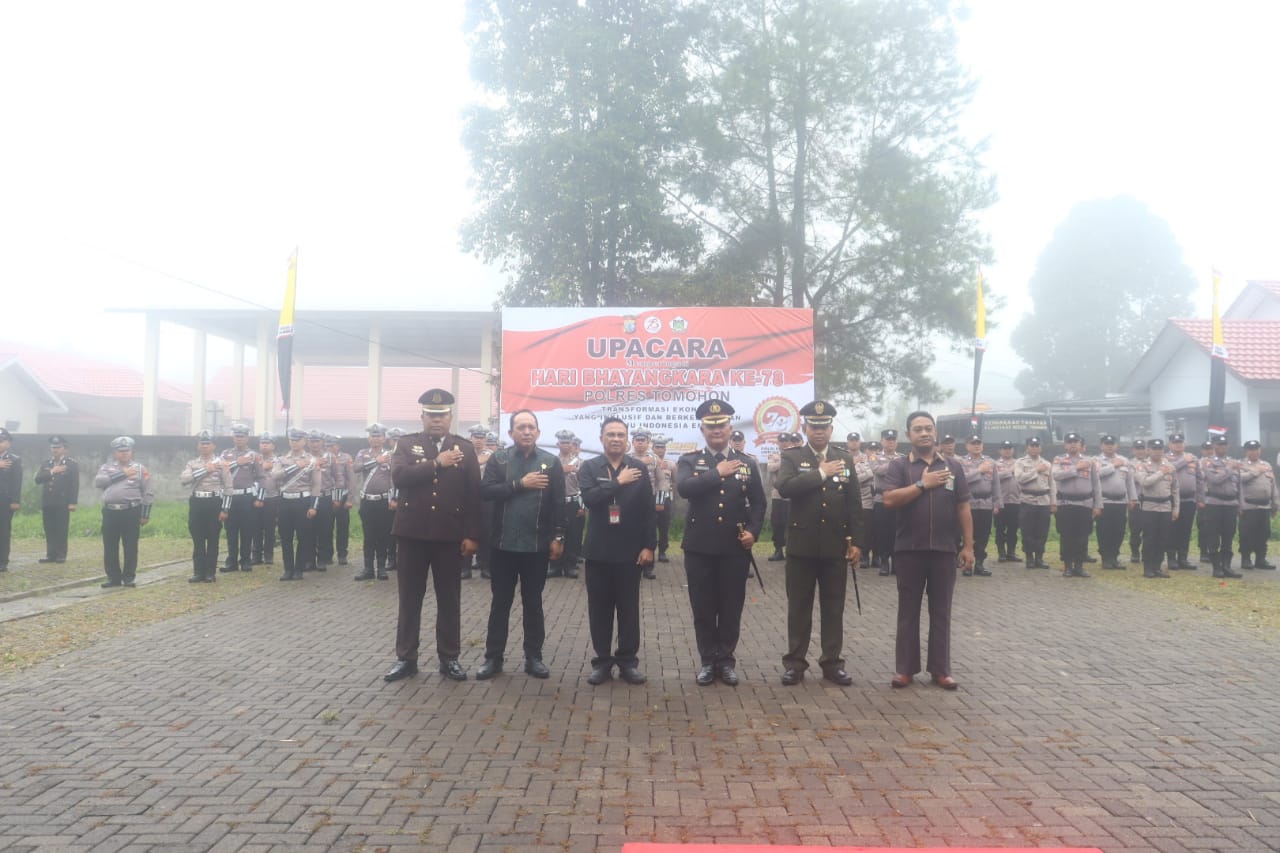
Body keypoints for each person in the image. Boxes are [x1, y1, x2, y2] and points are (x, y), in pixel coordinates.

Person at [383, 389, 482, 683]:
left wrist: (473, 534)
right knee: (409, 599)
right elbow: (399, 477)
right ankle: (406, 658)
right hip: (412, 535)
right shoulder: (407, 443)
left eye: (442, 415)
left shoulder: (464, 447)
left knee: (449, 599)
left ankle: (449, 658)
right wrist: (437, 463)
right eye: (431, 415)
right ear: (422, 416)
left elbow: (474, 495)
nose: (436, 420)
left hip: (449, 537)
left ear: (450, 417)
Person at [676, 399, 766, 687]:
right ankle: (707, 661)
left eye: (721, 425)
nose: (717, 430)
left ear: (730, 428)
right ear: (702, 429)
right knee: (702, 607)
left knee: (730, 607)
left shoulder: (748, 462)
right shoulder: (690, 461)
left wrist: (753, 531)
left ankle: (726, 661)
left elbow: (759, 504)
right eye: (711, 426)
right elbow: (685, 488)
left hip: (733, 548)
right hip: (699, 547)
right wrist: (717, 473)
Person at [775, 400, 864, 686]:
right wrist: (822, 472)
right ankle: (795, 663)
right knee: (799, 607)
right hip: (802, 546)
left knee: (833, 606)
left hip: (835, 545)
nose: (819, 432)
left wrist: (857, 542)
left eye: (824, 427)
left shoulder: (844, 457)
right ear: (804, 427)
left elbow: (854, 503)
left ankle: (832, 662)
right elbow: (786, 488)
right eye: (814, 426)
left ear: (831, 428)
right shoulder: (792, 456)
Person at [882, 410, 972, 690]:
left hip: (944, 550)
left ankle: (941, 670)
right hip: (909, 549)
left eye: (928, 428)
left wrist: (968, 546)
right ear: (908, 435)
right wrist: (923, 484)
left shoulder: (954, 466)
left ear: (935, 432)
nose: (924, 433)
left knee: (941, 611)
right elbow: (889, 499)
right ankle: (905, 670)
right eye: (918, 429)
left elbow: (963, 506)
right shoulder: (900, 467)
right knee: (908, 611)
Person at [476, 410, 567, 680]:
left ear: (538, 432)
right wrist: (519, 484)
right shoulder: (499, 459)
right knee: (500, 603)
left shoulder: (550, 462)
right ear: (511, 433)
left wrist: (559, 536)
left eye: (531, 427)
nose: (526, 431)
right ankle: (493, 658)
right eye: (521, 427)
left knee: (533, 603)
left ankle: (533, 657)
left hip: (536, 546)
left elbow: (559, 503)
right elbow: (486, 492)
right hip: (502, 546)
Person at [578, 416, 656, 686]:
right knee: (599, 609)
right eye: (610, 434)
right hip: (598, 550)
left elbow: (648, 510)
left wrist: (649, 546)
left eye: (621, 434)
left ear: (627, 439)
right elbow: (590, 499)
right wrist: (618, 482)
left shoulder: (638, 468)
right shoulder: (589, 467)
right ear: (601, 438)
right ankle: (601, 662)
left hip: (630, 551)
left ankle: (627, 662)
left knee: (628, 609)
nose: (615, 439)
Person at [94, 436, 154, 588]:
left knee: (130, 545)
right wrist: (123, 474)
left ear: (131, 451)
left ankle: (128, 577)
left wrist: (145, 514)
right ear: (115, 453)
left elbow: (148, 491)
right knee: (110, 546)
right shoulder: (106, 467)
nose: (124, 454)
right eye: (120, 451)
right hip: (110, 511)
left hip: (131, 511)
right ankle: (113, 578)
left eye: (127, 451)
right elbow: (99, 482)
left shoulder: (140, 469)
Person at [180, 430, 231, 583]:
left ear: (214, 445)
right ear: (198, 445)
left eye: (207, 443)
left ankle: (210, 572)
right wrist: (204, 470)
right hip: (197, 502)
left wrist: (225, 509)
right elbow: (184, 479)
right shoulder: (192, 463)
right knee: (198, 538)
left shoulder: (222, 464)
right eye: (202, 443)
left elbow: (228, 487)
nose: (204, 446)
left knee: (213, 539)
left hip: (214, 502)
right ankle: (198, 572)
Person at [273, 428, 321, 582]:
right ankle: (288, 569)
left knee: (303, 536)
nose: (294, 443)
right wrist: (296, 466)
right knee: (285, 537)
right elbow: (275, 475)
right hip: (285, 500)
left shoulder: (312, 460)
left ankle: (299, 568)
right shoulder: (281, 459)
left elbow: (316, 485)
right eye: (292, 440)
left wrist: (313, 506)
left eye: (297, 440)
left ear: (304, 441)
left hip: (303, 501)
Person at [1051, 432, 1101, 578]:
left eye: (1076, 441)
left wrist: (1098, 505)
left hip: (1085, 504)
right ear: (1065, 445)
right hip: (1066, 504)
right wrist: (1076, 469)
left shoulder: (1089, 461)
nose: (1073, 444)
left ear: (1080, 445)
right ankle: (1067, 566)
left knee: (1082, 536)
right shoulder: (1058, 460)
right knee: (1067, 536)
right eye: (1070, 441)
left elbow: (1096, 484)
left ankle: (1079, 566)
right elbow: (1056, 475)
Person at [354, 423, 396, 581]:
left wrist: (394, 499)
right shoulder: (362, 453)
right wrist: (376, 461)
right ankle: (368, 568)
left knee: (383, 535)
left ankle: (381, 568)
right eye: (372, 435)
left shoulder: (391, 455)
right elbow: (356, 468)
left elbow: (394, 478)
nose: (375, 439)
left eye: (378, 436)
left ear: (384, 438)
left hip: (383, 501)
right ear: (368, 437)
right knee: (369, 535)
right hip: (367, 501)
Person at [1199, 435, 1242, 579]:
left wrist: (1240, 505)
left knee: (1229, 535)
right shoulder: (1208, 462)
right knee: (1213, 535)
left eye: (1224, 444)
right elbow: (1214, 480)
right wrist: (1229, 469)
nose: (1222, 447)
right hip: (1214, 503)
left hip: (1231, 504)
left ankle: (1227, 566)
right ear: (1214, 446)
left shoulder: (1233, 462)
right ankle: (1216, 567)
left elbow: (1239, 486)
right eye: (1219, 445)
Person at [221, 423, 262, 573]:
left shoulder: (254, 456)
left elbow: (261, 477)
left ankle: (245, 560)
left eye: (242, 436)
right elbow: (220, 469)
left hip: (247, 497)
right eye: (236, 436)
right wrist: (236, 463)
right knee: (231, 530)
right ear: (233, 437)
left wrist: (260, 498)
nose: (239, 439)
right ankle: (231, 561)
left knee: (247, 530)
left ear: (247, 437)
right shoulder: (225, 454)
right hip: (231, 498)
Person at [1135, 439, 1177, 579]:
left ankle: (1157, 567)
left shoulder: (1170, 466)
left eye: (1160, 448)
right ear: (1148, 450)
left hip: (1165, 507)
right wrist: (1161, 473)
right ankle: (1147, 567)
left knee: (1163, 539)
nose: (1157, 451)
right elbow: (1145, 482)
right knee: (1149, 538)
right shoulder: (1142, 466)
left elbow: (1175, 489)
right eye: (1154, 448)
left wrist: (1176, 508)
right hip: (1149, 507)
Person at [960, 435, 1001, 577]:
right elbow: (961, 480)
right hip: (969, 504)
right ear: (967, 446)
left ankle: (979, 564)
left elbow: (996, 484)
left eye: (979, 443)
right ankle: (967, 564)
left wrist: (997, 503)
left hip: (986, 504)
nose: (976, 446)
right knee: (968, 536)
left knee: (983, 535)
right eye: (973, 443)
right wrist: (979, 471)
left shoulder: (990, 462)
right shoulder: (962, 462)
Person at [35, 435, 78, 564]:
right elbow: (38, 479)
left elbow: (74, 484)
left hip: (63, 502)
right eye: (53, 447)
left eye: (58, 447)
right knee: (49, 528)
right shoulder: (47, 463)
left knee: (61, 528)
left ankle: (61, 554)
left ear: (65, 449)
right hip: (48, 501)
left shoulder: (71, 464)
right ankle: (50, 554)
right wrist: (52, 471)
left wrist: (72, 502)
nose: (55, 450)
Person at [1095, 435, 1136, 570]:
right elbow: (1096, 475)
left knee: (1119, 531)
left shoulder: (1124, 460)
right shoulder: (1096, 460)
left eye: (1112, 444)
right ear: (1101, 446)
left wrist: (1132, 498)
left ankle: (1114, 557)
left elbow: (1129, 481)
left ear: (1116, 446)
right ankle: (1106, 558)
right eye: (1106, 444)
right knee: (1104, 531)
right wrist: (1113, 466)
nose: (1109, 446)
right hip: (1104, 501)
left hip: (1121, 502)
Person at [1238, 440, 1278, 569]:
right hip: (1249, 506)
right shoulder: (1240, 464)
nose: (1254, 451)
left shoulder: (1266, 464)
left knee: (1264, 533)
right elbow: (1239, 479)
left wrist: (1275, 502)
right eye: (1251, 449)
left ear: (1260, 450)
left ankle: (1261, 559)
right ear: (1246, 451)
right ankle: (1246, 559)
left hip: (1265, 506)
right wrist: (1256, 471)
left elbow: (1273, 484)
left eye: (1256, 449)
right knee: (1247, 534)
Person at [549, 429, 583, 578]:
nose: (565, 445)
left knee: (573, 535)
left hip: (573, 502)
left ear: (572, 444)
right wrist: (562, 469)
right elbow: (542, 472)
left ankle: (570, 565)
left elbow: (584, 485)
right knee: (555, 534)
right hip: (556, 504)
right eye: (562, 442)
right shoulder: (550, 461)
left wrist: (582, 506)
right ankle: (555, 565)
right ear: (558, 444)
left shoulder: (581, 463)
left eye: (568, 442)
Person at [1165, 434, 1200, 570]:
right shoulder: (1165, 458)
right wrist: (1184, 461)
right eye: (1175, 442)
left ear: (1184, 444)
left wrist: (1200, 498)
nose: (1178, 445)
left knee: (1186, 530)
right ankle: (1172, 559)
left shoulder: (1193, 458)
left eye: (1180, 442)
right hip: (1172, 500)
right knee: (1172, 530)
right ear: (1170, 445)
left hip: (1189, 499)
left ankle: (1183, 558)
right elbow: (1168, 470)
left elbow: (1199, 479)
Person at [1015, 437, 1051, 568]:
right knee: (1027, 530)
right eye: (1032, 445)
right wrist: (1036, 470)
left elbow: (1052, 484)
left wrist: (1053, 503)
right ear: (1027, 447)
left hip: (1044, 501)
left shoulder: (1047, 463)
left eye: (1037, 445)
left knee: (1042, 531)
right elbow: (1020, 478)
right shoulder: (1020, 463)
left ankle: (1039, 558)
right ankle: (1029, 557)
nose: (1035, 448)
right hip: (1027, 500)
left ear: (1040, 448)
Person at [870, 429, 901, 575]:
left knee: (897, 532)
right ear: (882, 441)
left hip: (898, 500)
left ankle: (896, 562)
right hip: (881, 500)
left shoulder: (903, 458)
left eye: (893, 439)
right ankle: (884, 562)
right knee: (882, 532)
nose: (891, 442)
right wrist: (895, 464)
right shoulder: (874, 457)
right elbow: (877, 470)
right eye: (888, 439)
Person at [630, 428, 660, 579]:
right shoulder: (626, 457)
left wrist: (660, 501)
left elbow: (661, 481)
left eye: (643, 441)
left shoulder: (654, 459)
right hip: (631, 500)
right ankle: (632, 561)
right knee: (632, 531)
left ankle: (648, 567)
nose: (640, 443)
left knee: (649, 531)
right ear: (633, 442)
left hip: (650, 499)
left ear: (648, 443)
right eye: (637, 440)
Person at [306, 430, 337, 571]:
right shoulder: (304, 457)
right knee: (309, 529)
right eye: (312, 441)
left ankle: (322, 559)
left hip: (325, 497)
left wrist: (336, 497)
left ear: (322, 442)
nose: (315, 444)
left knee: (325, 529)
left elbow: (337, 477)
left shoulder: (330, 457)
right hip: (309, 498)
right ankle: (309, 560)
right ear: (308, 442)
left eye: (317, 441)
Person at [468, 423, 495, 580]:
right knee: (466, 530)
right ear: (470, 438)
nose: (479, 440)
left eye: (482, 437)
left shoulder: (493, 455)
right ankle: (465, 567)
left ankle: (486, 566)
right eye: (476, 437)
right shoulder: (463, 453)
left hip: (486, 497)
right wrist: (477, 461)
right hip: (468, 496)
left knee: (487, 531)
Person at [765, 432, 797, 562]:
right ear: (778, 443)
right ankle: (778, 550)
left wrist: (782, 460)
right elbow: (770, 468)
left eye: (786, 441)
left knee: (791, 523)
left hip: (792, 495)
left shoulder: (795, 456)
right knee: (777, 523)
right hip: (777, 495)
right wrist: (783, 460)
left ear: (790, 442)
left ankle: (792, 550)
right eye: (781, 441)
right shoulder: (775, 456)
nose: (784, 443)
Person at [252, 433, 279, 566]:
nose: (264, 445)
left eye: (267, 443)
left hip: (271, 497)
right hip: (256, 497)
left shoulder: (278, 460)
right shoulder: (253, 459)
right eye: (262, 443)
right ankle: (256, 555)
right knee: (255, 527)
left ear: (273, 445)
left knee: (269, 527)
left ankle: (268, 555)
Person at [327, 435, 355, 566]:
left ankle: (342, 554)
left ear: (338, 446)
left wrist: (350, 498)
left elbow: (351, 479)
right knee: (326, 527)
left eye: (332, 445)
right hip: (327, 496)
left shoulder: (346, 458)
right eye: (328, 445)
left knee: (342, 527)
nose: (330, 448)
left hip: (342, 496)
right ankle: (327, 554)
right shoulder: (323, 458)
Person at [993, 440, 1021, 562]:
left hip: (1016, 501)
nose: (1007, 450)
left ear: (1013, 450)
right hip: (1001, 501)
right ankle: (1001, 553)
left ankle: (1011, 552)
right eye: (1004, 448)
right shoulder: (994, 463)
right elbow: (994, 477)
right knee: (1000, 528)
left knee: (1013, 529)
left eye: (1009, 448)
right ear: (1000, 450)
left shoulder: (1019, 463)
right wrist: (1009, 472)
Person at [0, 428, 22, 571]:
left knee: (3, 530)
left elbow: (16, 481)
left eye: (1, 441)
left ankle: (2, 561)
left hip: (4, 500)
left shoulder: (14, 459)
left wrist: (15, 500)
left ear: (8, 444)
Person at [652, 435, 675, 563]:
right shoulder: (648, 462)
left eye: (662, 447)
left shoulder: (670, 464)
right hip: (650, 498)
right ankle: (649, 550)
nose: (660, 450)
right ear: (653, 448)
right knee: (649, 526)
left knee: (664, 526)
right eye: (657, 447)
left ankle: (662, 551)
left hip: (665, 499)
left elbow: (676, 480)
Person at [1127, 440, 1148, 565]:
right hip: (1136, 501)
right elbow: (1132, 479)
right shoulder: (1129, 464)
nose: (1140, 451)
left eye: (1142, 448)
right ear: (1133, 450)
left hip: (1150, 501)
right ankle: (1135, 552)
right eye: (1137, 448)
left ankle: (1146, 553)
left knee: (1149, 530)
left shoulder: (1152, 463)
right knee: (1135, 529)